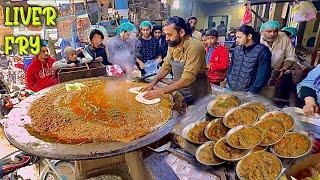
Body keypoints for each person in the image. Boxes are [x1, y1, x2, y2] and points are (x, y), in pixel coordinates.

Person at [140, 16, 211, 105]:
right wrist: (153, 83)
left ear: (181, 32)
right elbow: (166, 66)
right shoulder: (173, 45)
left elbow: (187, 79)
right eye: (165, 35)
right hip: (180, 88)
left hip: (197, 93)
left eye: (170, 35)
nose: (166, 38)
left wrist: (161, 91)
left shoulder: (195, 48)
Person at [227, 25, 272, 93]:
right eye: (236, 37)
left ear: (249, 36)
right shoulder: (237, 49)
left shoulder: (262, 51)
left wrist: (252, 91)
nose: (236, 40)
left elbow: (263, 75)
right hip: (230, 87)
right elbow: (231, 67)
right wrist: (228, 79)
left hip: (248, 92)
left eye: (239, 37)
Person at [260, 20, 297, 102]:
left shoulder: (284, 38)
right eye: (269, 31)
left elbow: (290, 56)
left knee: (266, 100)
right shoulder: (257, 40)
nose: (272, 34)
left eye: (275, 31)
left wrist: (284, 68)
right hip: (257, 75)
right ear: (262, 32)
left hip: (274, 75)